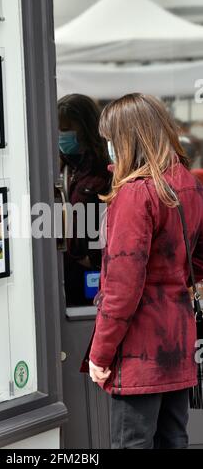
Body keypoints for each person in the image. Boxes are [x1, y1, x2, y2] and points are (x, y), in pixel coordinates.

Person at [82, 93, 203, 449]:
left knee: (133, 442)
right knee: (173, 438)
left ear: (126, 140)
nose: (107, 148)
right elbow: (199, 260)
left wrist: (99, 354)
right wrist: (177, 276)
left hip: (140, 351)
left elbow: (122, 288)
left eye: (110, 140)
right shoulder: (187, 182)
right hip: (177, 339)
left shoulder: (136, 193)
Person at [58, 94, 112, 306]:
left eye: (66, 129)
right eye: (59, 129)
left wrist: (93, 259)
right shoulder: (65, 168)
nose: (61, 135)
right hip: (68, 267)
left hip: (92, 270)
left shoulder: (104, 170)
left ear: (85, 128)